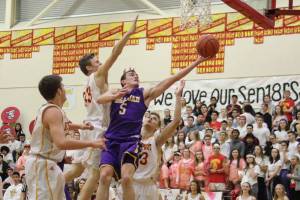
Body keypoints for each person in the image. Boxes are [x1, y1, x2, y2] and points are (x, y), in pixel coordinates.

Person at [96, 53, 211, 200]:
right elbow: (99, 99)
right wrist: (114, 96)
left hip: (130, 142)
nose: (136, 76)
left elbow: (171, 80)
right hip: (111, 140)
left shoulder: (143, 94)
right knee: (104, 177)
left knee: (126, 178)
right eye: (131, 74)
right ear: (123, 81)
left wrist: (196, 62)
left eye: (137, 74)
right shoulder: (114, 91)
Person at [64, 16, 139, 200]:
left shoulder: (88, 83)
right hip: (97, 128)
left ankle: (50, 186)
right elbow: (115, 53)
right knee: (96, 174)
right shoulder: (97, 76)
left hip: (89, 124)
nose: (100, 63)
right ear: (90, 67)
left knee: (77, 169)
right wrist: (128, 34)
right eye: (97, 62)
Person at [25, 75, 106, 200]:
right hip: (42, 164)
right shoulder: (53, 112)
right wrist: (92, 143)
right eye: (63, 86)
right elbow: (61, 143)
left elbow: (64, 125)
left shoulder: (53, 110)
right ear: (58, 90)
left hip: (49, 163)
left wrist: (82, 126)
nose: (64, 89)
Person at [132, 80, 184, 200]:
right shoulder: (132, 136)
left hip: (148, 185)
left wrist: (177, 96)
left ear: (157, 127)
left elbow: (176, 121)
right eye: (149, 116)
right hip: (131, 183)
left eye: (154, 118)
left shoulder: (156, 140)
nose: (150, 118)